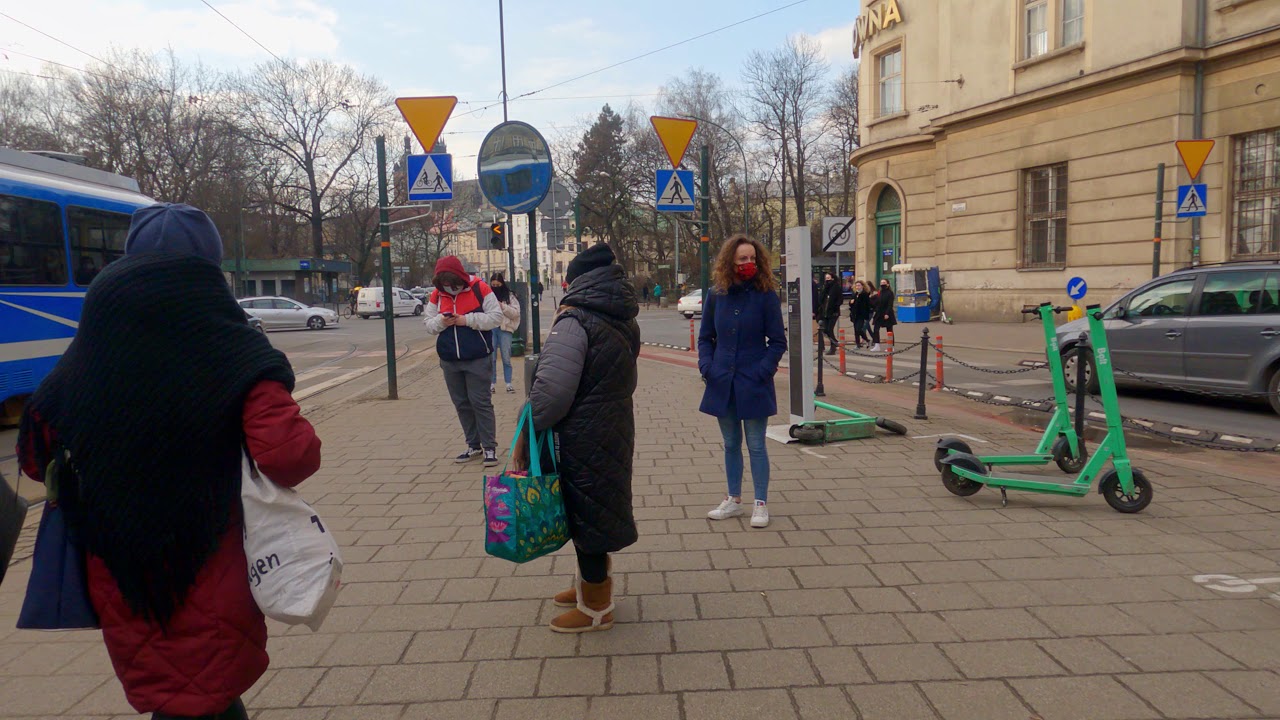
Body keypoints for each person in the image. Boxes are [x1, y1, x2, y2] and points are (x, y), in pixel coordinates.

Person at [17, 203, 321, 720]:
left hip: (121, 572)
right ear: (209, 269)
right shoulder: (234, 349)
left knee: (178, 697)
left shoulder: (90, 352)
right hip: (209, 558)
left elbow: (34, 458)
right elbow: (291, 457)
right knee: (208, 695)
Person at [519, 243, 640, 633]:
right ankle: (589, 583)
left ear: (575, 281)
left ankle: (596, 609)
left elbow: (552, 391)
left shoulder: (575, 320)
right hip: (613, 423)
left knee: (585, 511)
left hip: (580, 432)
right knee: (596, 506)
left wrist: (528, 427)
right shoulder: (623, 316)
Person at [700, 235, 786, 529]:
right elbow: (705, 338)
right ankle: (733, 500)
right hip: (722, 378)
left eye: (752, 259)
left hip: (754, 379)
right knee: (730, 443)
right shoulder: (717, 294)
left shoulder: (766, 296)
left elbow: (777, 342)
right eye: (742, 259)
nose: (748, 264)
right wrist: (707, 367)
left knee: (756, 444)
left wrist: (763, 371)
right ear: (730, 262)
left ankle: (760, 502)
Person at [424, 256, 505, 466]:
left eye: (454, 284)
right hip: (450, 358)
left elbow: (496, 317)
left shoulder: (480, 288)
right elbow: (429, 325)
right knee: (461, 403)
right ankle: (473, 445)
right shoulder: (436, 295)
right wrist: (442, 321)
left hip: (477, 357)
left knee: (480, 402)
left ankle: (489, 447)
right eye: (446, 285)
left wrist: (466, 320)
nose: (451, 288)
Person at [489, 272, 520, 394]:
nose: (495, 287)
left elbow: (515, 313)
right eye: (493, 285)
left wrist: (502, 306)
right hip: (491, 328)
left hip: (505, 329)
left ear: (502, 284)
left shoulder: (510, 296)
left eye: (498, 285)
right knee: (491, 358)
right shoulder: (488, 295)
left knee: (506, 357)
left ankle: (508, 383)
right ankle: (491, 383)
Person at [817, 272, 843, 355]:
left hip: (833, 312)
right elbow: (821, 298)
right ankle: (835, 342)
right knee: (825, 329)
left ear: (833, 278)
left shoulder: (836, 287)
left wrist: (835, 308)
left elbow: (839, 300)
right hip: (825, 312)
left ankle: (833, 347)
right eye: (826, 278)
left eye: (829, 278)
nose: (827, 280)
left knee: (829, 329)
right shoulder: (825, 288)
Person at [872, 278, 897, 352]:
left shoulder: (890, 293)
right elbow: (876, 302)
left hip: (887, 313)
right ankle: (877, 345)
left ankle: (891, 346)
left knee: (889, 330)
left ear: (888, 284)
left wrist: (887, 313)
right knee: (876, 329)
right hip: (879, 313)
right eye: (881, 282)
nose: (882, 284)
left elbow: (890, 304)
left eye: (884, 282)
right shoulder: (879, 292)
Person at [849, 279, 873, 349]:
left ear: (862, 286)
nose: (857, 287)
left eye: (859, 285)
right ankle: (858, 344)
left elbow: (867, 305)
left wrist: (867, 316)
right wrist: (851, 302)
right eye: (856, 286)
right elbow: (851, 304)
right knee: (856, 330)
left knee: (859, 329)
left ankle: (867, 340)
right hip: (854, 314)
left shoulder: (865, 294)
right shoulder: (855, 294)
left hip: (861, 315)